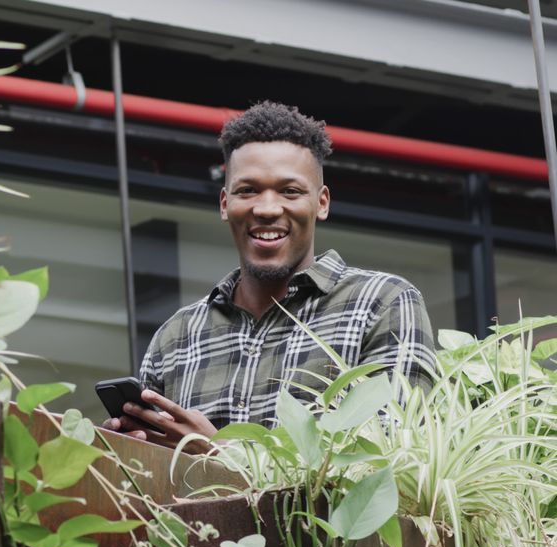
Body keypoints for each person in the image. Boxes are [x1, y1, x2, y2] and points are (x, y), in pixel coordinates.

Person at [104, 101, 436, 453]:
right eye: (247, 190)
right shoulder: (175, 337)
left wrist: (218, 454)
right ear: (224, 203)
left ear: (321, 203)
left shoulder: (382, 303)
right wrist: (125, 450)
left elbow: (395, 457)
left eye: (289, 191)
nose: (266, 208)